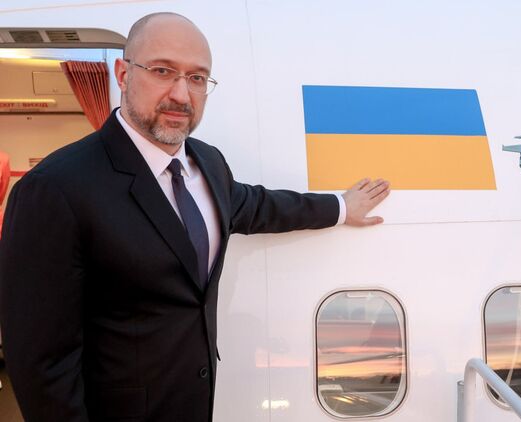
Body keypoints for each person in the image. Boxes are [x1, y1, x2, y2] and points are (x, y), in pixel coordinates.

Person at [0, 12, 390, 422]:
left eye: (197, 78)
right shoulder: (55, 189)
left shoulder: (207, 163)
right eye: (163, 71)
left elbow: (256, 206)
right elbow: (42, 366)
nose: (181, 95)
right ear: (123, 74)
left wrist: (341, 207)